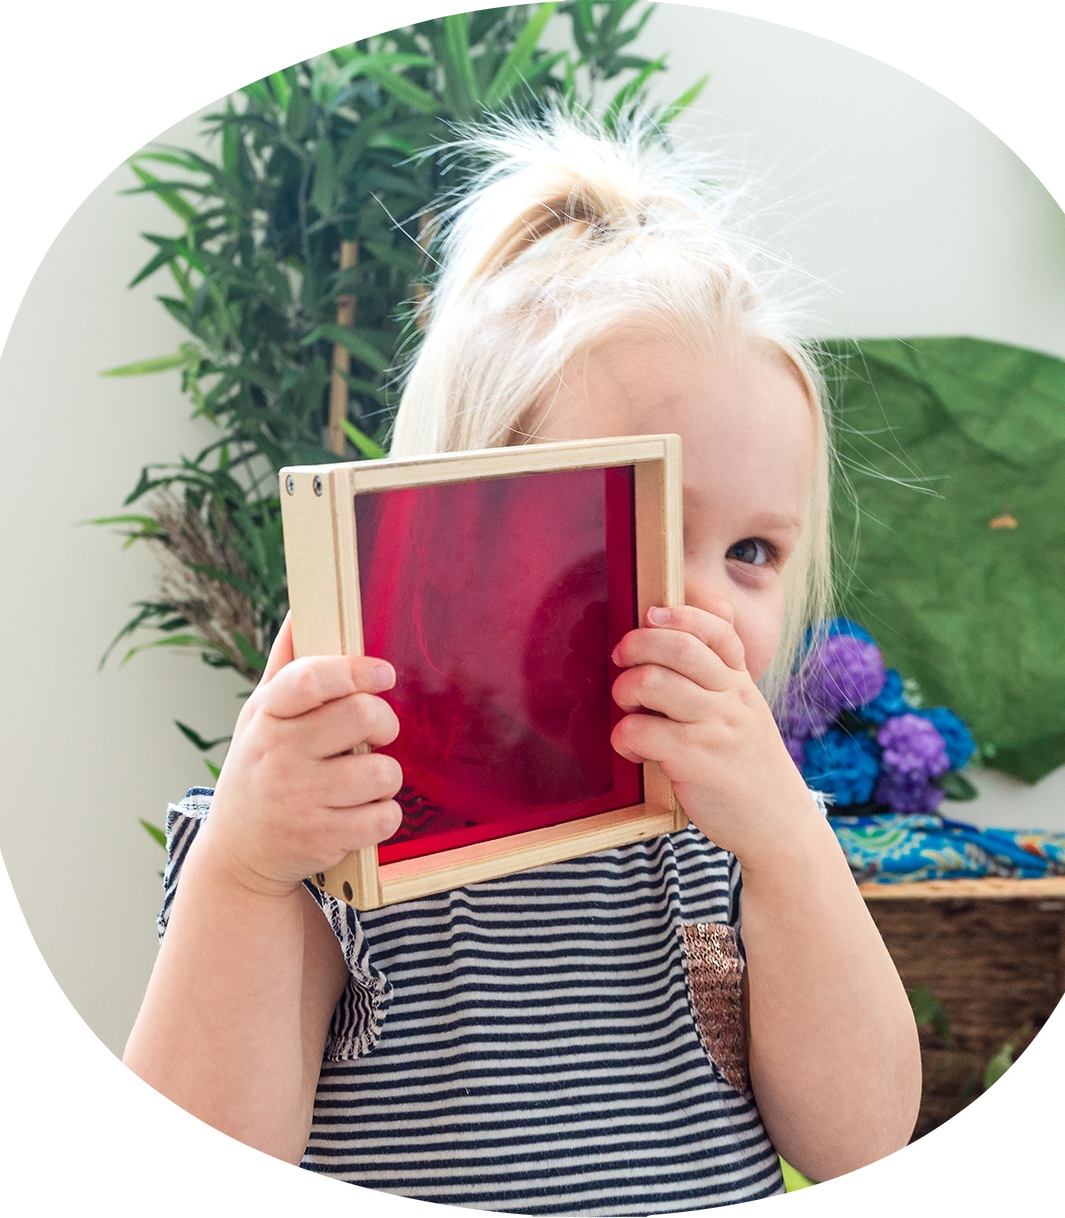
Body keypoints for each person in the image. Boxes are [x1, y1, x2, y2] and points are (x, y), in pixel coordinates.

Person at [123, 112, 921, 1218]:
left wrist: (788, 846)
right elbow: (194, 1164)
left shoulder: (738, 838)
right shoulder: (333, 822)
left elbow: (860, 1136)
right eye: (626, 530)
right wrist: (250, 867)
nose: (700, 603)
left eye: (752, 552)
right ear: (458, 542)